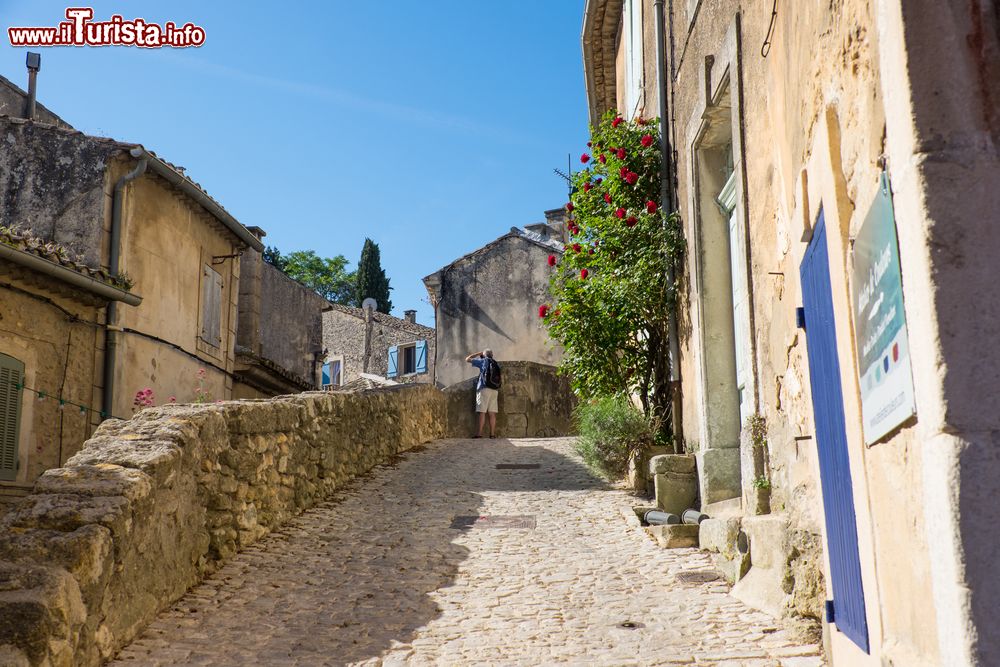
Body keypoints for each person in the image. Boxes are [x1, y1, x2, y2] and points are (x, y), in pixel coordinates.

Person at [465, 349, 500, 438]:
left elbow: (467, 359)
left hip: (484, 388)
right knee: (492, 413)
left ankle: (479, 434)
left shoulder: (483, 361)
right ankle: (492, 434)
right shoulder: (496, 364)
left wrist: (479, 353)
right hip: (494, 390)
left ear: (484, 355)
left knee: (482, 412)